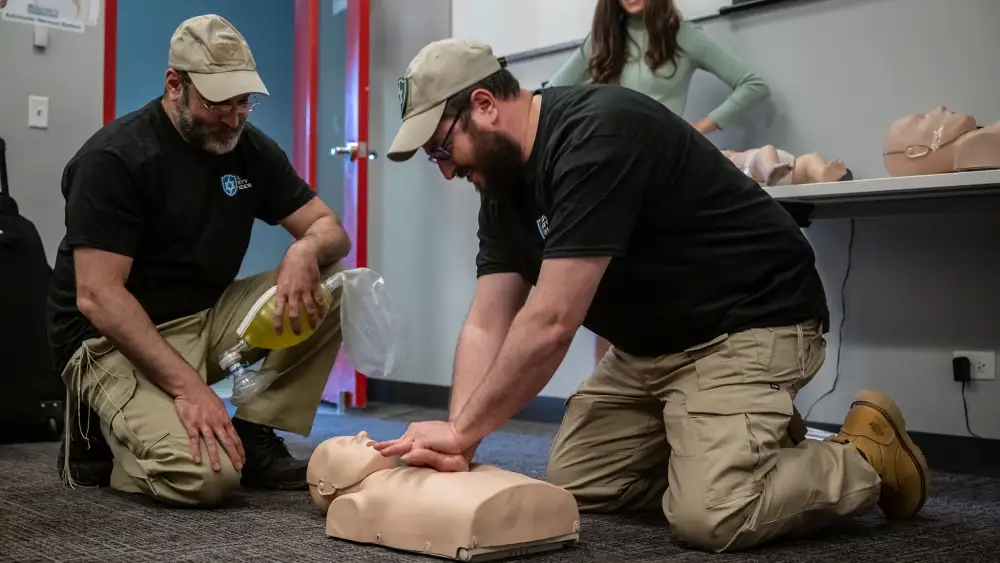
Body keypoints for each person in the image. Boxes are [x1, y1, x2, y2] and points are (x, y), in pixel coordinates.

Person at [370, 38, 930, 553]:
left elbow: (551, 322)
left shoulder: (597, 136)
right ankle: (739, 448)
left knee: (713, 516)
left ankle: (865, 459)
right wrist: (459, 440)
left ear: (486, 105)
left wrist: (465, 430)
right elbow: (487, 322)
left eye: (441, 149)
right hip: (651, 351)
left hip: (751, 324)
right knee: (578, 484)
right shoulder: (500, 183)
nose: (445, 171)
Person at [46, 14, 351, 507]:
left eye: (243, 102)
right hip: (108, 341)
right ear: (175, 86)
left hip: (203, 320)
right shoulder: (116, 159)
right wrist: (191, 390)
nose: (233, 117)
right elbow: (99, 296)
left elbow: (331, 230)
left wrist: (305, 248)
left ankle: (255, 432)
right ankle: (99, 432)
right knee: (208, 480)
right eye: (217, 103)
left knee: (334, 282)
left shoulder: (249, 147)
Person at [547, 0, 771, 362]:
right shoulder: (602, 39)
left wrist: (697, 130)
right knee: (611, 296)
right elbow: (550, 95)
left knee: (661, 291)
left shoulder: (683, 35)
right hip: (611, 178)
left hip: (664, 177)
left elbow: (752, 84)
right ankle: (608, 404)